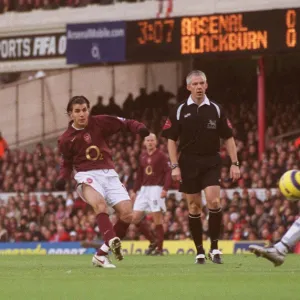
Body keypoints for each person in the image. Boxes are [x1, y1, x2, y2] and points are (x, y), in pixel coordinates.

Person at [55, 95, 150, 268]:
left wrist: (139, 127)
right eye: (77, 111)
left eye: (84, 110)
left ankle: (101, 254)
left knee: (127, 214)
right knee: (100, 205)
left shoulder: (100, 122)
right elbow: (66, 163)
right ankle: (112, 239)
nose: (82, 114)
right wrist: (62, 178)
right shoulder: (66, 139)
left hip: (109, 174)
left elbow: (125, 123)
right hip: (86, 175)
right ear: (71, 115)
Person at [162, 70, 240, 264]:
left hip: (211, 161)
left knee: (214, 202)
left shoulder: (216, 109)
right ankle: (199, 250)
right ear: (188, 87)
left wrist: (234, 163)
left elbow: (228, 137)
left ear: (206, 85)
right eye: (195, 84)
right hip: (188, 162)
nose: (198, 87)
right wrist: (174, 166)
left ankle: (214, 248)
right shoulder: (179, 110)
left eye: (201, 83)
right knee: (194, 206)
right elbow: (171, 140)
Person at [131, 133, 172, 255]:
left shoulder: (161, 156)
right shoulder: (142, 156)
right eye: (147, 140)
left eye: (152, 140)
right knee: (135, 218)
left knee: (157, 219)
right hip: (144, 189)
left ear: (156, 142)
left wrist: (165, 188)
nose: (150, 142)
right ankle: (153, 240)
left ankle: (159, 249)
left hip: (156, 189)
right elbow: (139, 175)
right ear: (144, 142)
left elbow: (168, 173)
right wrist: (134, 190)